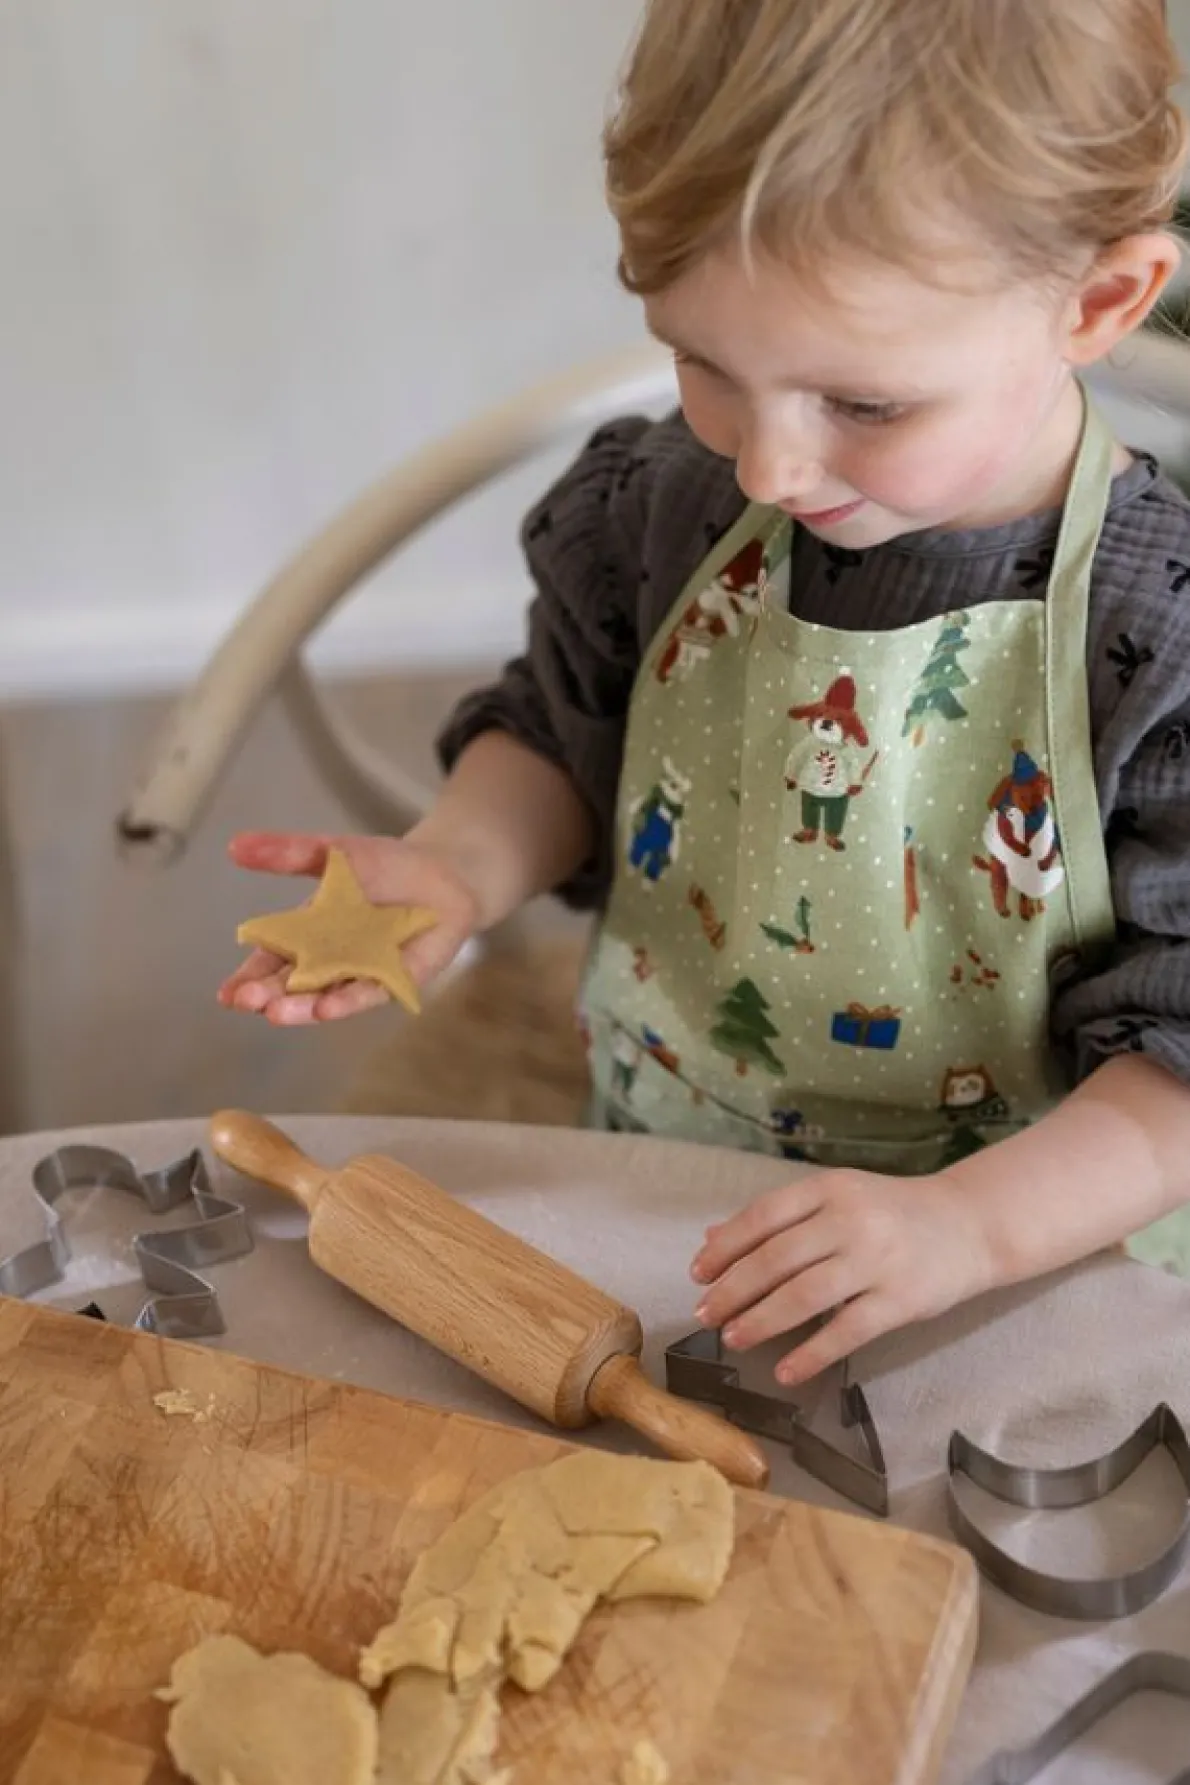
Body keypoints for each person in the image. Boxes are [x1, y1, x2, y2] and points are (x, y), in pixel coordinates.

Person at [221, 0, 1190, 1387]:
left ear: (1097, 302)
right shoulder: (665, 509)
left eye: (863, 404)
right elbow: (567, 734)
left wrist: (966, 1232)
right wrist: (455, 861)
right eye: (706, 367)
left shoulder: (1158, 636)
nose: (769, 468)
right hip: (657, 1176)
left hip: (1024, 1267)